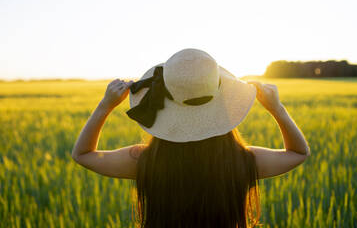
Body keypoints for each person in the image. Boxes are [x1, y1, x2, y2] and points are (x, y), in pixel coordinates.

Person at [72, 48, 311, 228]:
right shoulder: (242, 161)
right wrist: (276, 108)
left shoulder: (145, 161)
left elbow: (83, 155)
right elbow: (299, 153)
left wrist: (105, 106)